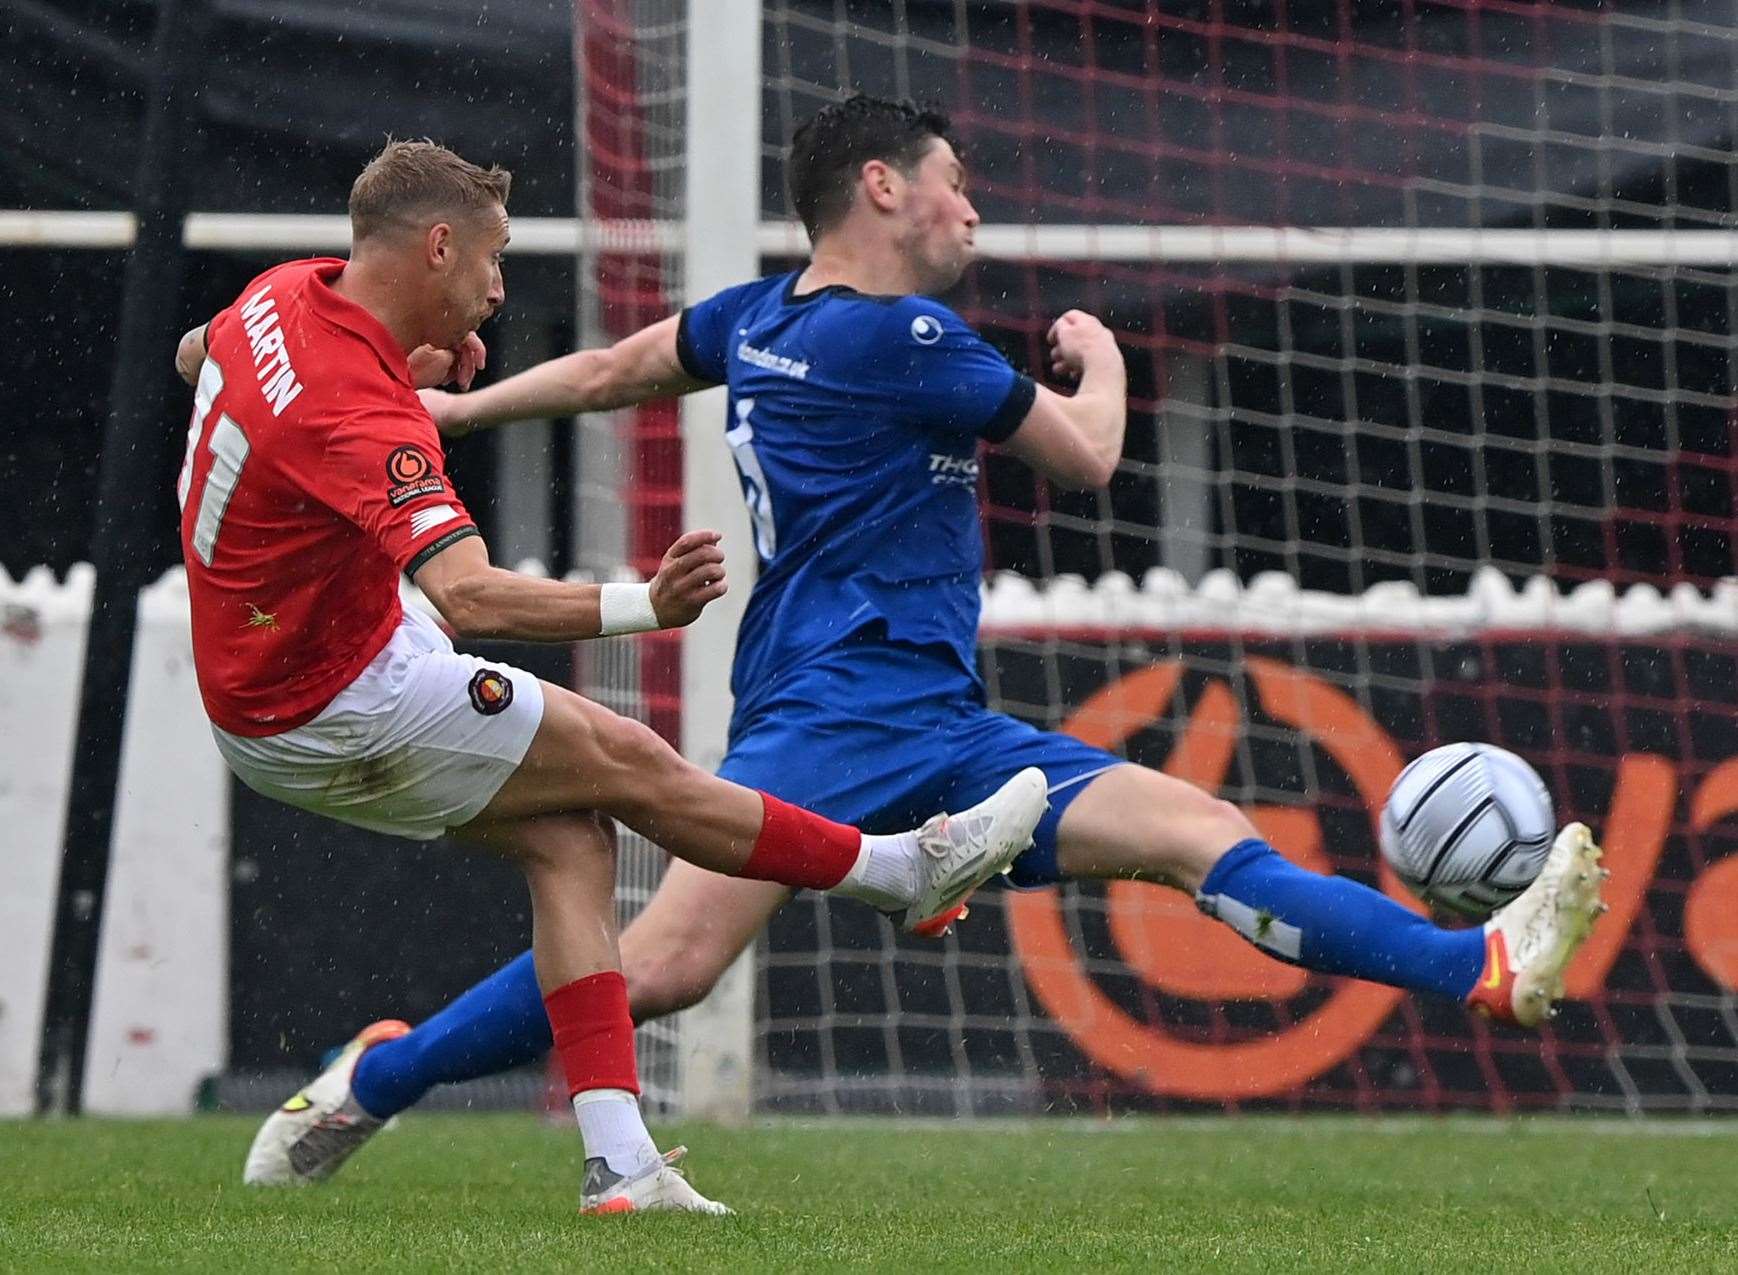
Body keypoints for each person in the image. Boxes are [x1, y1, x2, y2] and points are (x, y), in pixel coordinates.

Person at [243, 99, 1608, 1187]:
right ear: (881, 188)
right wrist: (1100, 354)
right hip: (836, 712)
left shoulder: (759, 318)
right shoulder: (904, 334)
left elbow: (608, 371)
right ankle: (378, 1075)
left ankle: (1478, 969)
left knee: (1196, 830)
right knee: (660, 962)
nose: (972, 205)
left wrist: (449, 421)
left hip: (938, 718)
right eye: (953, 179)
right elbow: (1085, 457)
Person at [175, 137, 1051, 1214]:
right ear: (437, 245)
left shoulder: (275, 298)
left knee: (569, 840)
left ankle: (618, 1162)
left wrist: (389, 369)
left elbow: (199, 357)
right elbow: (473, 598)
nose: (499, 290)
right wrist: (651, 606)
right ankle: (894, 872)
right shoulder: (360, 408)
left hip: (266, 690)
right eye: (492, 260)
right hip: (338, 698)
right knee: (631, 762)